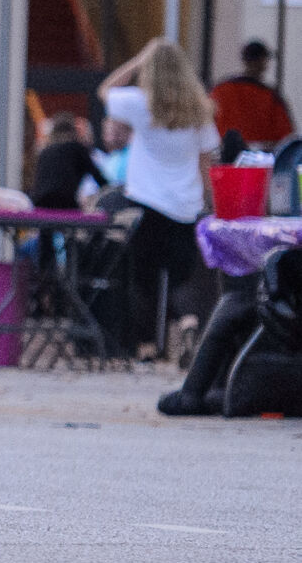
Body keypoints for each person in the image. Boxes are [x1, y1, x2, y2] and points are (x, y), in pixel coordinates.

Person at [97, 39, 220, 358]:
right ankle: (189, 322)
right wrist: (208, 201)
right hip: (185, 204)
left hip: (145, 200)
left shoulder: (140, 103)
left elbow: (105, 91)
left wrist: (138, 60)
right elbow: (205, 162)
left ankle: (148, 346)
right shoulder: (199, 111)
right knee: (180, 277)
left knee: (144, 279)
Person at [210, 39, 294, 148]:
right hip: (260, 160)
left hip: (222, 157)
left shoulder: (220, 90)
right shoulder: (270, 97)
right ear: (263, 62)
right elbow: (287, 139)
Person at [29, 113, 106, 209]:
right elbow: (97, 176)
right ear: (73, 131)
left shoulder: (45, 151)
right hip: (64, 203)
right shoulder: (77, 148)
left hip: (39, 203)